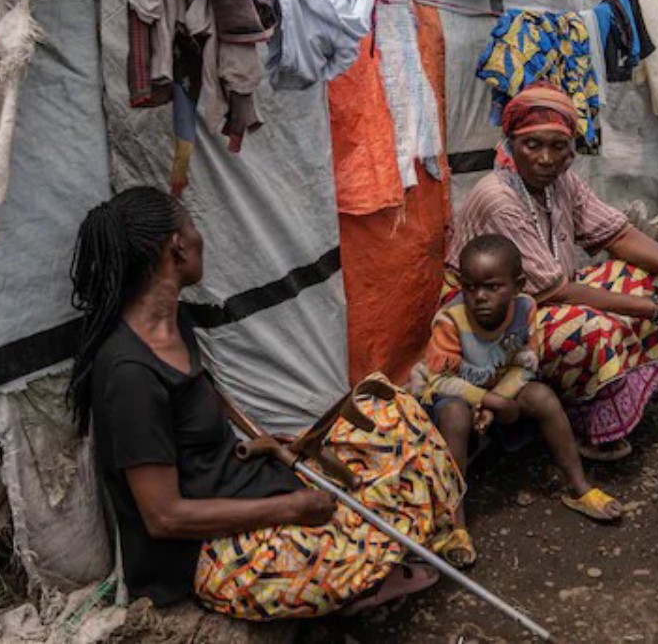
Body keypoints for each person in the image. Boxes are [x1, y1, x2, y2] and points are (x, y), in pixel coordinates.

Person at [68, 186, 463, 619]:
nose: (201, 237)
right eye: (193, 227)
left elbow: (198, 411)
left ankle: (378, 562)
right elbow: (164, 517)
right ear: (177, 247)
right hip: (205, 551)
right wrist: (290, 507)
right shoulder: (129, 374)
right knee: (341, 536)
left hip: (244, 486)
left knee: (394, 415)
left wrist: (271, 442)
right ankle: (366, 582)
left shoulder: (174, 321)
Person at [446, 82, 658, 460]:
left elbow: (617, 234)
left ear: (572, 149)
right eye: (532, 144)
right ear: (510, 143)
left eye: (558, 146)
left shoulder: (560, 183)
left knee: (648, 280)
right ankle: (589, 422)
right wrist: (657, 310)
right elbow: (555, 291)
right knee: (593, 329)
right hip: (490, 330)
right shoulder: (499, 198)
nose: (545, 158)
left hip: (540, 305)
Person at [412, 234, 622, 567]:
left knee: (542, 396)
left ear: (518, 285)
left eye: (492, 287)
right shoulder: (451, 321)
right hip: (452, 397)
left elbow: (525, 364)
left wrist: (498, 400)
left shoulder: (525, 308)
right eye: (470, 287)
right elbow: (439, 381)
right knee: (455, 416)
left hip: (500, 390)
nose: (480, 297)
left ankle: (578, 487)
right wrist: (489, 401)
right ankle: (453, 523)